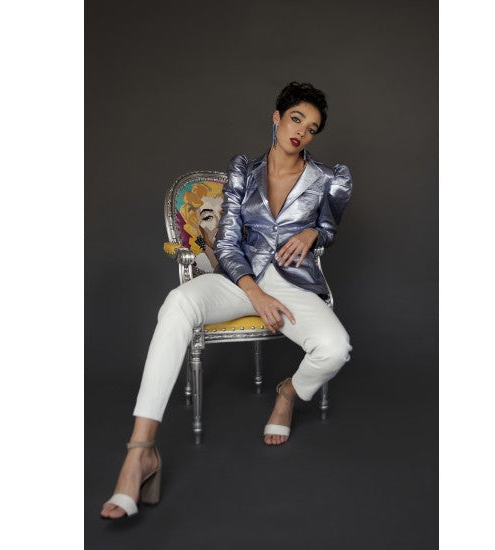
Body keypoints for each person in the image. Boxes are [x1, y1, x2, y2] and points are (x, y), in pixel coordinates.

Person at [100, 81, 354, 520]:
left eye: (311, 128)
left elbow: (329, 228)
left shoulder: (329, 179)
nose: (301, 132)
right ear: (277, 117)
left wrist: (314, 231)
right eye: (295, 119)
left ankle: (287, 394)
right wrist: (254, 291)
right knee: (178, 303)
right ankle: (141, 450)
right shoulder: (244, 171)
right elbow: (228, 241)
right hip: (241, 280)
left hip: (292, 284)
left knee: (335, 348)